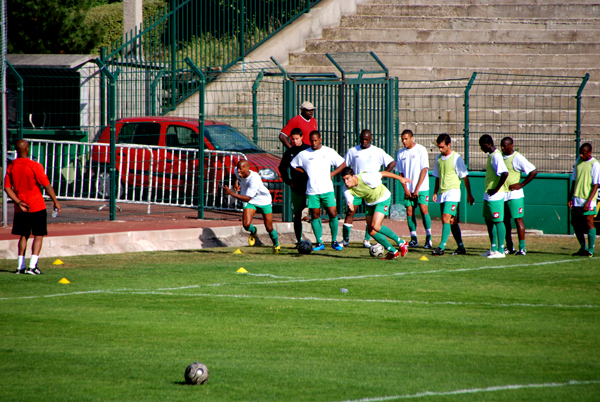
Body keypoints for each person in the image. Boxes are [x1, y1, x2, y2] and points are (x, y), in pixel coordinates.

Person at [4, 139, 61, 274]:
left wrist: (18, 202)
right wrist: (55, 201)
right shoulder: (35, 166)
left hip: (21, 207)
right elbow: (47, 186)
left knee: (23, 235)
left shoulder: (11, 166)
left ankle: (20, 266)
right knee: (38, 235)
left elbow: (7, 188)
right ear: (27, 149)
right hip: (36, 205)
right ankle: (33, 266)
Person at [291, 130, 347, 251]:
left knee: (333, 213)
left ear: (320, 139)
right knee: (315, 215)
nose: (313, 143)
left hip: (327, 189)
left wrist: (332, 173)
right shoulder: (304, 154)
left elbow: (343, 164)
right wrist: (305, 172)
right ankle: (319, 242)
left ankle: (334, 241)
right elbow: (293, 165)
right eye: (311, 141)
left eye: (315, 140)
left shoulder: (328, 151)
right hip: (312, 191)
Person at [341, 167, 410, 260]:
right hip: (370, 203)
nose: (346, 182)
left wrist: (400, 178)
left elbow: (383, 173)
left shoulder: (365, 177)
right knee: (371, 231)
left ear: (354, 176)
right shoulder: (345, 188)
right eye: (343, 179)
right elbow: (349, 199)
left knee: (376, 226)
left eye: (347, 178)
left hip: (382, 199)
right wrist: (350, 204)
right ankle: (393, 251)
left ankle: (401, 242)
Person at [342, 129, 396, 248]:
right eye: (362, 139)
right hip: (356, 187)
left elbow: (392, 163)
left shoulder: (378, 151)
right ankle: (345, 240)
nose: (364, 142)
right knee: (350, 212)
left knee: (370, 216)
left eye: (366, 139)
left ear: (371, 139)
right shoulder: (352, 151)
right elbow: (344, 166)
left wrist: (380, 177)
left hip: (371, 188)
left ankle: (367, 240)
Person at [221, 160, 280, 253]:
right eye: (238, 168)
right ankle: (253, 231)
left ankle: (276, 245)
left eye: (241, 169)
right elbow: (237, 176)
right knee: (246, 224)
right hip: (251, 200)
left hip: (263, 200)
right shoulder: (237, 170)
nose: (239, 171)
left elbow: (247, 198)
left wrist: (231, 193)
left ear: (248, 168)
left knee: (269, 227)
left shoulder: (254, 179)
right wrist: (236, 182)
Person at [431, 134, 474, 256]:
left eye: (442, 147)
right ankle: (461, 247)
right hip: (443, 193)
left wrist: (469, 194)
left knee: (445, 218)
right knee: (452, 221)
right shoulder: (438, 158)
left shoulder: (456, 158)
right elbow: (437, 176)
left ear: (449, 145)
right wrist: (435, 192)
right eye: (439, 147)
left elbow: (464, 176)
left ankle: (441, 247)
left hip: (453, 192)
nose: (440, 149)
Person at [500, 137, 538, 256]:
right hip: (502, 194)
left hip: (515, 195)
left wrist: (521, 184)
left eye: (504, 146)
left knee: (518, 219)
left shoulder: (517, 158)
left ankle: (522, 248)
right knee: (505, 221)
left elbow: (533, 171)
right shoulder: (500, 157)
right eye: (501, 145)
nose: (502, 148)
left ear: (511, 146)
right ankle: (509, 246)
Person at [396, 129, 433, 249]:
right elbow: (400, 174)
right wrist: (406, 189)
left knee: (423, 210)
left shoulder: (421, 150)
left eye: (406, 139)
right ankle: (413, 239)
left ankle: (429, 239)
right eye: (402, 139)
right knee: (409, 212)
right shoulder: (400, 153)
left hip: (421, 188)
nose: (404, 141)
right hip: (408, 189)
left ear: (412, 138)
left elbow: (424, 169)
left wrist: (417, 189)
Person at [278, 128, 310, 245]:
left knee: (315, 212)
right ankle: (299, 240)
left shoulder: (308, 150)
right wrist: (288, 181)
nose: (295, 141)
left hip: (309, 187)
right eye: (293, 139)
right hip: (296, 188)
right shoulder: (289, 152)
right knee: (297, 215)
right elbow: (282, 168)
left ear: (301, 137)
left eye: (297, 139)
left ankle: (319, 240)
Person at [479, 134, 509, 259]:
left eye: (482, 146)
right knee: (489, 221)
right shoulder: (491, 156)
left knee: (498, 221)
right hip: (488, 195)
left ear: (487, 144)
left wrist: (496, 189)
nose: (481, 148)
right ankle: (493, 248)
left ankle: (501, 250)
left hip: (495, 195)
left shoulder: (496, 156)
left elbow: (504, 173)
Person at [568, 143, 599, 257]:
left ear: (589, 152)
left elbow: (596, 185)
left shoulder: (595, 164)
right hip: (576, 197)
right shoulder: (578, 161)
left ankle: (591, 250)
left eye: (583, 153)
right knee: (575, 223)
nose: (581, 155)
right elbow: (574, 180)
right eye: (580, 153)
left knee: (589, 222)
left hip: (588, 199)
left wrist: (589, 201)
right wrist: (570, 197)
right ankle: (583, 247)